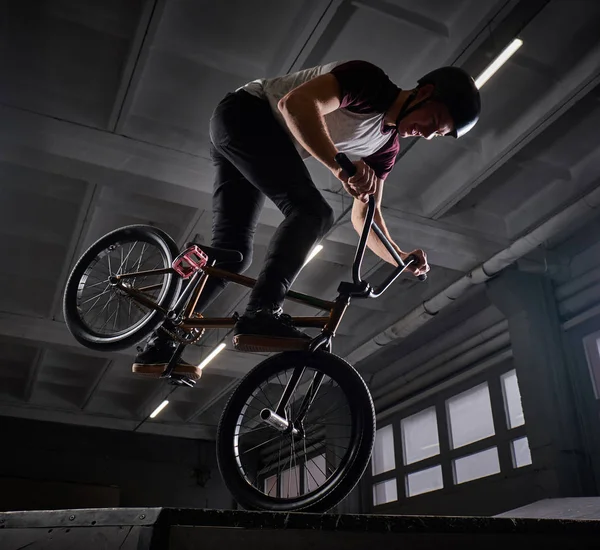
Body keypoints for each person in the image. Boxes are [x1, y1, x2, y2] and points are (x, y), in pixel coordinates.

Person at [132, 60, 481, 378]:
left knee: (233, 255)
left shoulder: (385, 149)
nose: (427, 133)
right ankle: (261, 314)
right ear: (424, 93)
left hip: (259, 145)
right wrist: (340, 165)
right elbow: (295, 105)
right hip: (245, 115)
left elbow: (364, 216)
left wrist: (398, 257)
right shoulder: (369, 83)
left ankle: (156, 348)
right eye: (433, 122)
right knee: (313, 212)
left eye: (437, 134)